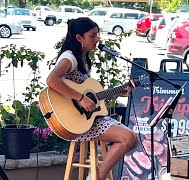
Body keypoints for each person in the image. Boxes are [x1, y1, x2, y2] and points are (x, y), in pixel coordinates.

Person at [46, 17, 138, 180]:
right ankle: (96, 177)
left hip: (85, 118)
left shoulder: (83, 58)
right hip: (72, 121)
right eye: (93, 35)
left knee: (134, 140)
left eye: (98, 35)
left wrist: (117, 92)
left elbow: (92, 97)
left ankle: (94, 175)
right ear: (79, 38)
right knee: (127, 138)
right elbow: (52, 80)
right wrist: (80, 98)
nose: (98, 39)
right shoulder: (70, 57)